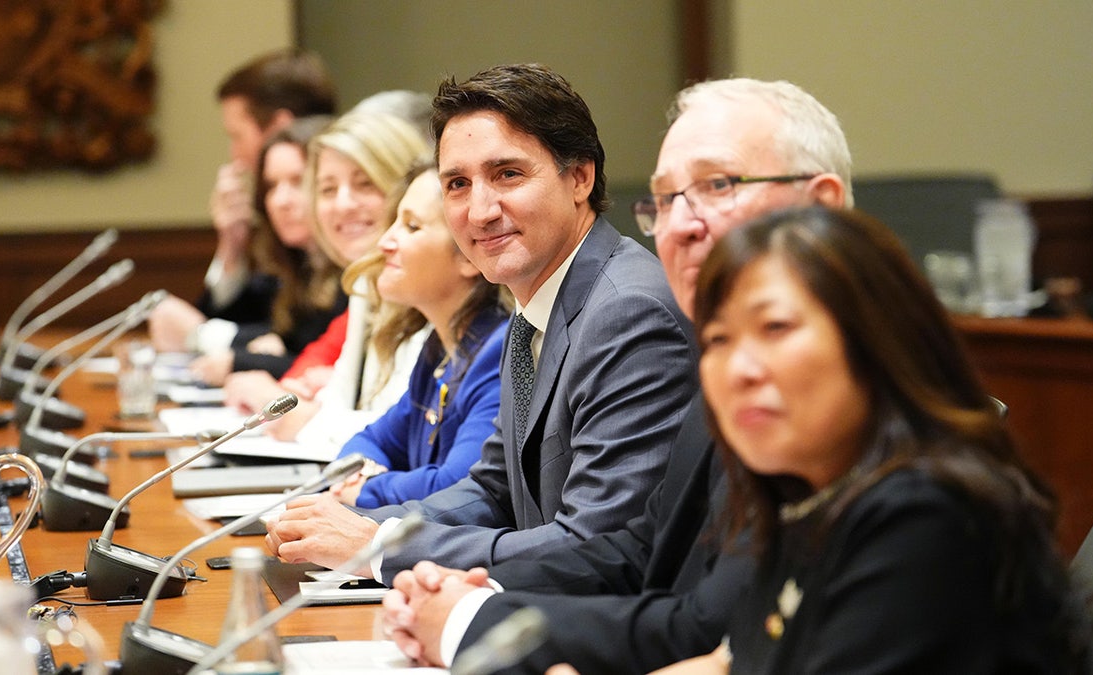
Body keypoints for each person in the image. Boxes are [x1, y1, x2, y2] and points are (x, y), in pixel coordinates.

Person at [381, 78, 852, 673]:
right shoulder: (732, 375)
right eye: (666, 198)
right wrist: (457, 602)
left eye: (716, 186)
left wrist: (465, 621)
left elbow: (712, 628)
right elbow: (632, 555)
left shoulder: (853, 418)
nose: (680, 224)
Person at [264, 63, 696, 584]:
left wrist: (375, 546)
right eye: (457, 184)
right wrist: (347, 527)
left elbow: (600, 548)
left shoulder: (628, 312)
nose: (480, 210)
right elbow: (493, 491)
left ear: (580, 177)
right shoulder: (536, 304)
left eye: (507, 174)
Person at [676, 205, 1084, 673]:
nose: (739, 369)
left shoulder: (924, 516)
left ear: (874, 340)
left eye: (775, 328)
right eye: (718, 339)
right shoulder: (809, 493)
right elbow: (732, 663)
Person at [224, 110, 432, 445]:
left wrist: (309, 420)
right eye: (328, 189)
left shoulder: (429, 287)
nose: (343, 204)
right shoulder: (365, 282)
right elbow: (348, 406)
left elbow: (412, 438)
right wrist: (314, 397)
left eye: (365, 184)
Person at [330, 161, 512, 508]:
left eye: (411, 226)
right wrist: (363, 475)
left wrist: (368, 490)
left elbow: (458, 487)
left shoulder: (498, 352)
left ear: (469, 256)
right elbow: (368, 441)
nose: (385, 242)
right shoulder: (439, 349)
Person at [148, 49, 336, 351]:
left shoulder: (343, 233)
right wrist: (231, 247)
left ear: (278, 127)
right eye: (274, 185)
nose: (234, 154)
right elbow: (266, 327)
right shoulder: (277, 227)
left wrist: (201, 334)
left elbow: (295, 345)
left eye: (237, 136)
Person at [181, 116, 346, 385]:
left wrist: (241, 360)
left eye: (297, 181)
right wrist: (231, 246)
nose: (281, 201)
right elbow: (227, 317)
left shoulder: (352, 271)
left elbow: (335, 371)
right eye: (271, 186)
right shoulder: (292, 265)